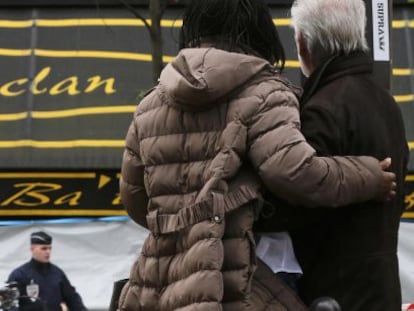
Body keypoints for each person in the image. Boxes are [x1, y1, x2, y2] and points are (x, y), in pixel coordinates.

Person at [118, 0, 396, 310]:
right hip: (245, 276)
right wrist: (370, 176)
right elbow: (295, 172)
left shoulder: (150, 105)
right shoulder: (267, 92)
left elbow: (135, 199)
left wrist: (183, 224)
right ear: (261, 33)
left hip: (164, 278)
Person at [271, 0, 409, 310]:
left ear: (303, 44)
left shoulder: (321, 111)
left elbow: (299, 201)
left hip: (333, 294)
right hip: (382, 289)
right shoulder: (387, 104)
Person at [7, 231, 87, 311]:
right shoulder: (19, 274)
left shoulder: (57, 273)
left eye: (50, 248)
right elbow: (10, 305)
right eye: (44, 248)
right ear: (32, 249)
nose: (48, 252)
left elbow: (72, 299)